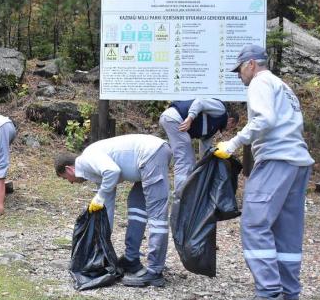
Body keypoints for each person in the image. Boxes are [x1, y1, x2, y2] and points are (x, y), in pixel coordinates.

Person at [213, 44, 314, 300]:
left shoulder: (260, 82)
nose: (239, 76)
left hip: (276, 160)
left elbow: (264, 120)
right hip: (297, 162)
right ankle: (290, 295)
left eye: (239, 70)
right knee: (287, 231)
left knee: (255, 223)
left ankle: (269, 293)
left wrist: (232, 144)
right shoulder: (283, 86)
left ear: (251, 64)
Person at [55, 134, 172, 287]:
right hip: (149, 158)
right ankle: (131, 259)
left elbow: (112, 171)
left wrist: (100, 196)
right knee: (136, 206)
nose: (70, 183)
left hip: (152, 153)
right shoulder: (95, 172)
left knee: (157, 215)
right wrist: (101, 242)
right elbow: (107, 207)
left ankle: (155, 271)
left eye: (66, 178)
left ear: (69, 169)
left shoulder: (87, 158)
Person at [160, 99, 239, 194]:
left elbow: (205, 150)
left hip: (172, 119)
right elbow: (200, 102)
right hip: (176, 118)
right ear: (231, 121)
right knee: (185, 161)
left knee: (187, 160)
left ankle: (185, 194)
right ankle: (181, 197)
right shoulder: (221, 109)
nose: (229, 130)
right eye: (232, 127)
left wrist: (205, 164)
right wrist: (190, 119)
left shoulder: (213, 127)